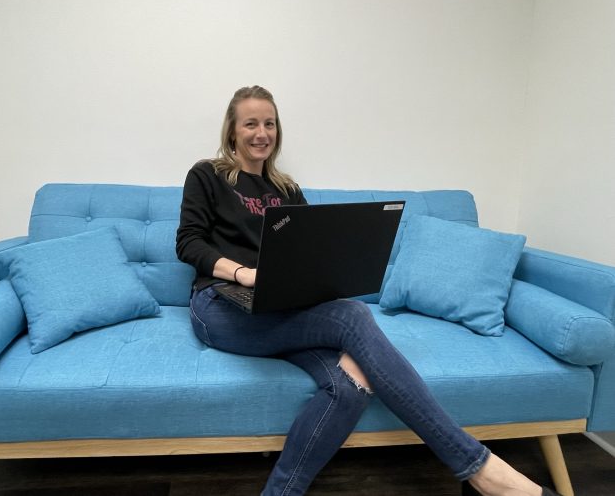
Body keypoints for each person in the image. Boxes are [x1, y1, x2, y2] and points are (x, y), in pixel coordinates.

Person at [176, 85, 560, 496]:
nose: (261, 133)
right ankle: (481, 470)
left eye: (269, 123)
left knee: (350, 383)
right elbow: (188, 242)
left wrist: (327, 274)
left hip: (281, 309)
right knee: (354, 315)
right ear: (232, 131)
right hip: (221, 304)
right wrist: (243, 274)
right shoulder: (208, 175)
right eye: (250, 123)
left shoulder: (286, 190)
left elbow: (308, 254)